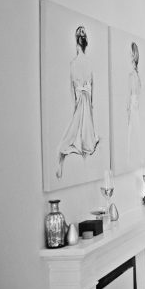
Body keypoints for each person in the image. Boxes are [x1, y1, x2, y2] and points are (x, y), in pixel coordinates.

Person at [56, 26, 100, 179]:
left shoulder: (73, 63)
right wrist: (90, 102)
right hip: (86, 98)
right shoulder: (89, 63)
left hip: (80, 98)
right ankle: (82, 160)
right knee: (84, 129)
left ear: (77, 43)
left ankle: (72, 156)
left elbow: (73, 87)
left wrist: (75, 102)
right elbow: (92, 85)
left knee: (77, 128)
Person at [126, 42, 142, 163]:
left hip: (133, 106)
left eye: (130, 54)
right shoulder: (135, 75)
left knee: (132, 132)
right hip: (134, 105)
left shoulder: (133, 75)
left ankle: (131, 158)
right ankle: (133, 158)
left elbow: (131, 93)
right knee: (134, 132)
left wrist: (129, 107)